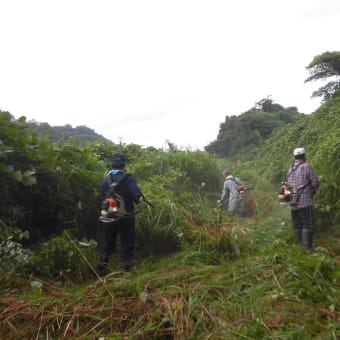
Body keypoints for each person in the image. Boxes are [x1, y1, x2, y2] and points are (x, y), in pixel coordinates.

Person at [99, 153, 143, 273]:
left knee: (108, 240)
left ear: (111, 164)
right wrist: (138, 199)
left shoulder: (106, 179)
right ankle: (125, 268)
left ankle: (102, 265)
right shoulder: (128, 178)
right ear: (124, 164)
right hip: (126, 216)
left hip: (109, 215)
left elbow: (103, 194)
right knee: (127, 241)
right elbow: (136, 193)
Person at [286, 147, 319, 252]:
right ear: (304, 156)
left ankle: (299, 248)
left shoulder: (290, 168)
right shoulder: (306, 166)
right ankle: (307, 248)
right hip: (305, 200)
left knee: (297, 224)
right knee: (307, 223)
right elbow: (315, 182)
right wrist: (313, 191)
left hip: (292, 201)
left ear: (295, 157)